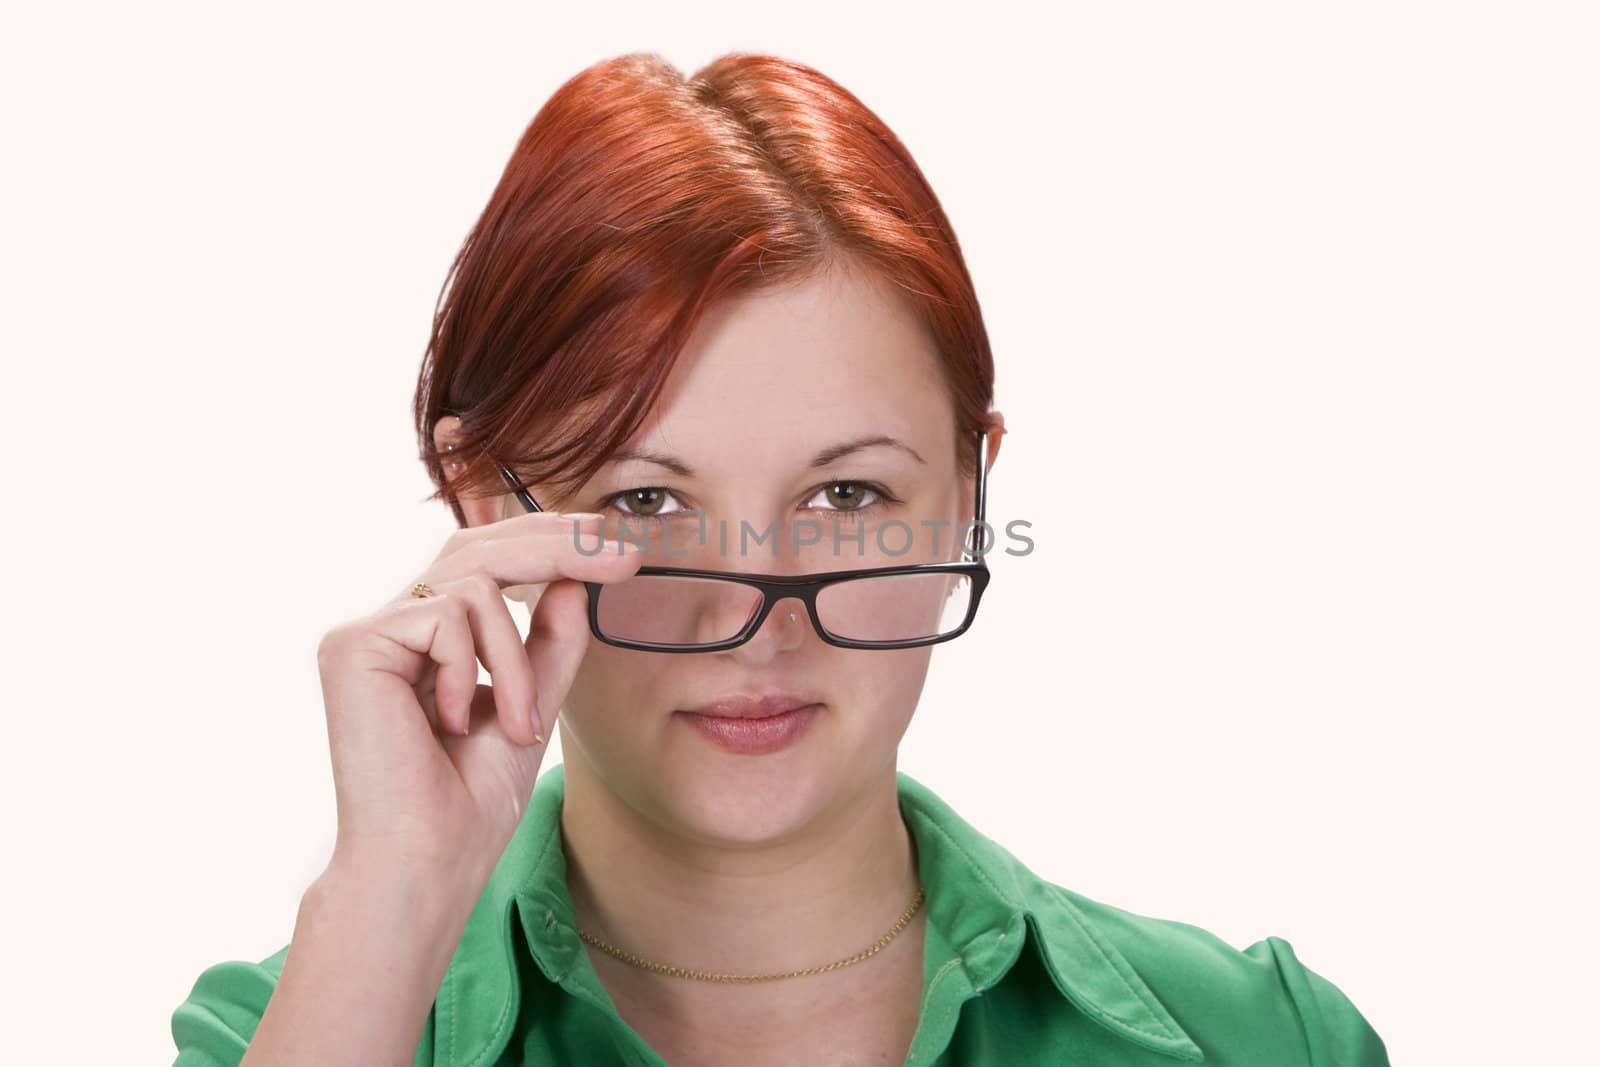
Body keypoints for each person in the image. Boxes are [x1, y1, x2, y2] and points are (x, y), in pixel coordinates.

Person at [170, 51, 1389, 1066]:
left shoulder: (1265, 1041)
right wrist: (389, 897)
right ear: (487, 503)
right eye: (645, 500)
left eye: (848, 492)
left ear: (968, 494)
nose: (752, 623)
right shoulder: (296, 1027)